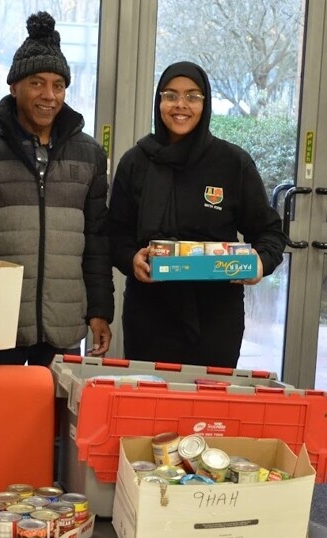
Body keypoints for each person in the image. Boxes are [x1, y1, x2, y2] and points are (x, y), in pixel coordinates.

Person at [108, 61, 287, 368]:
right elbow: (115, 233)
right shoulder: (136, 162)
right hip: (150, 314)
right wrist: (131, 259)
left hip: (216, 318)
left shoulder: (232, 163)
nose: (181, 105)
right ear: (159, 102)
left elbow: (270, 231)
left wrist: (260, 262)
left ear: (205, 103)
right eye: (171, 95)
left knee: (210, 398)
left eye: (192, 96)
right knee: (151, 396)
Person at [0, 11, 114, 367]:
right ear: (13, 86)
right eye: (37, 83)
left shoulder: (89, 154)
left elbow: (96, 240)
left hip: (64, 323)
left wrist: (100, 310)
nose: (49, 95)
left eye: (58, 85)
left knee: (57, 406)